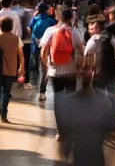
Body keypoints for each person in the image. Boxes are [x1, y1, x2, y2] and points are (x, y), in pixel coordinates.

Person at [55, 59, 115, 166]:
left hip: (91, 155)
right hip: (85, 155)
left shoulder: (104, 101)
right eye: (82, 69)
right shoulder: (104, 101)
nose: (85, 73)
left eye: (87, 69)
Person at [41, 8, 85, 141]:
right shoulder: (75, 32)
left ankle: (60, 131)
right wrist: (79, 66)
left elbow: (43, 51)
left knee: (58, 101)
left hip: (55, 72)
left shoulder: (50, 31)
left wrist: (47, 65)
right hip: (71, 71)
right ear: (71, 18)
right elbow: (81, 51)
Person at [0, 16, 25, 122]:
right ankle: (3, 114)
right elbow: (21, 55)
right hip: (11, 68)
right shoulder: (16, 38)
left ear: (0, 25)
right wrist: (22, 68)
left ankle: (1, 109)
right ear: (11, 26)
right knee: (6, 91)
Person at [84, 17, 115, 108]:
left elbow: (86, 57)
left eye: (91, 29)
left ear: (97, 29)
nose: (90, 31)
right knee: (112, 93)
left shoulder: (93, 40)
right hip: (111, 72)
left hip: (98, 73)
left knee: (98, 94)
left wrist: (87, 71)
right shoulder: (111, 38)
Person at [29, 2, 57, 101]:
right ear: (46, 10)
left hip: (35, 45)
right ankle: (42, 92)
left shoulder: (34, 19)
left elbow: (30, 29)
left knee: (34, 66)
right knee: (45, 69)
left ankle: (32, 84)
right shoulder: (51, 21)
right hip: (47, 47)